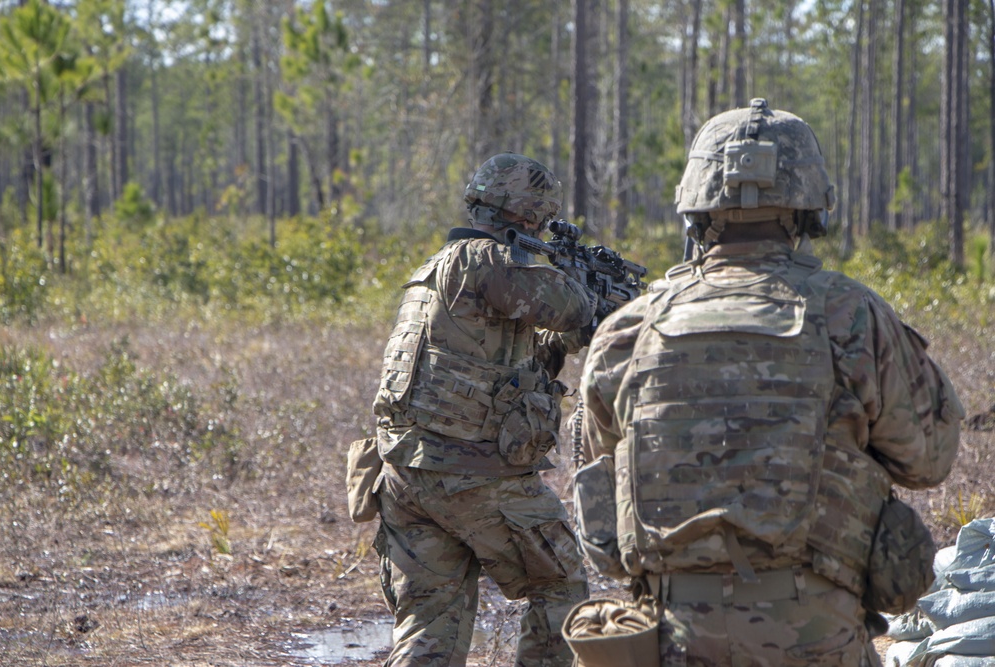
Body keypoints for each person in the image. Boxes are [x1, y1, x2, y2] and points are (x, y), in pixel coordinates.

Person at [573, 99, 963, 666]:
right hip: (816, 635)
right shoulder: (849, 313)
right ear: (808, 206)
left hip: (673, 636)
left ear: (697, 206)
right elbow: (929, 460)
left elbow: (604, 482)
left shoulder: (629, 328)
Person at [371, 152, 594, 667]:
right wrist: (581, 285)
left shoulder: (433, 269)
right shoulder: (485, 261)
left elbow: (512, 356)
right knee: (561, 581)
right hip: (470, 474)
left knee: (431, 621)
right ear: (527, 215)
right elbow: (572, 307)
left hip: (406, 475)